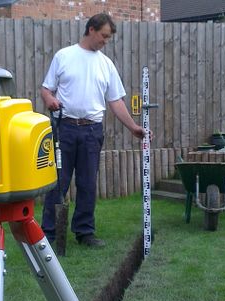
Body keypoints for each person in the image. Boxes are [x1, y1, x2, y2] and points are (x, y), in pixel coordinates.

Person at [40, 13, 147, 247]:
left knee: (88, 183)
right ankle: (47, 234)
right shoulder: (64, 56)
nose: (105, 41)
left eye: (108, 38)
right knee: (58, 182)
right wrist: (49, 100)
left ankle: (84, 232)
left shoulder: (106, 64)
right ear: (91, 29)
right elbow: (47, 89)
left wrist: (133, 127)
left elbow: (115, 101)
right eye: (103, 36)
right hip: (64, 129)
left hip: (91, 132)